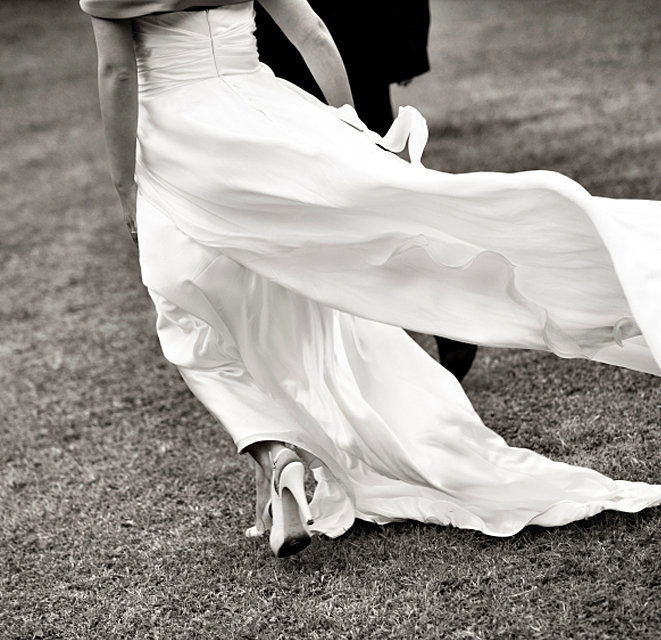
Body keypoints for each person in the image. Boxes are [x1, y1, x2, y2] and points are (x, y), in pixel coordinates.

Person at [82, 0, 661, 559]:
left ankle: (274, 452)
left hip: (180, 144)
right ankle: (281, 463)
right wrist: (347, 124)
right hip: (264, 121)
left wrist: (124, 187)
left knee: (188, 317)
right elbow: (311, 33)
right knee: (291, 289)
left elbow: (117, 74)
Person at [254, 0, 478, 381]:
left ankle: (443, 298)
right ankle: (364, 347)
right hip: (274, 51)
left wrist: (404, 42)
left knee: (372, 187)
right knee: (324, 201)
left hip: (349, 40)